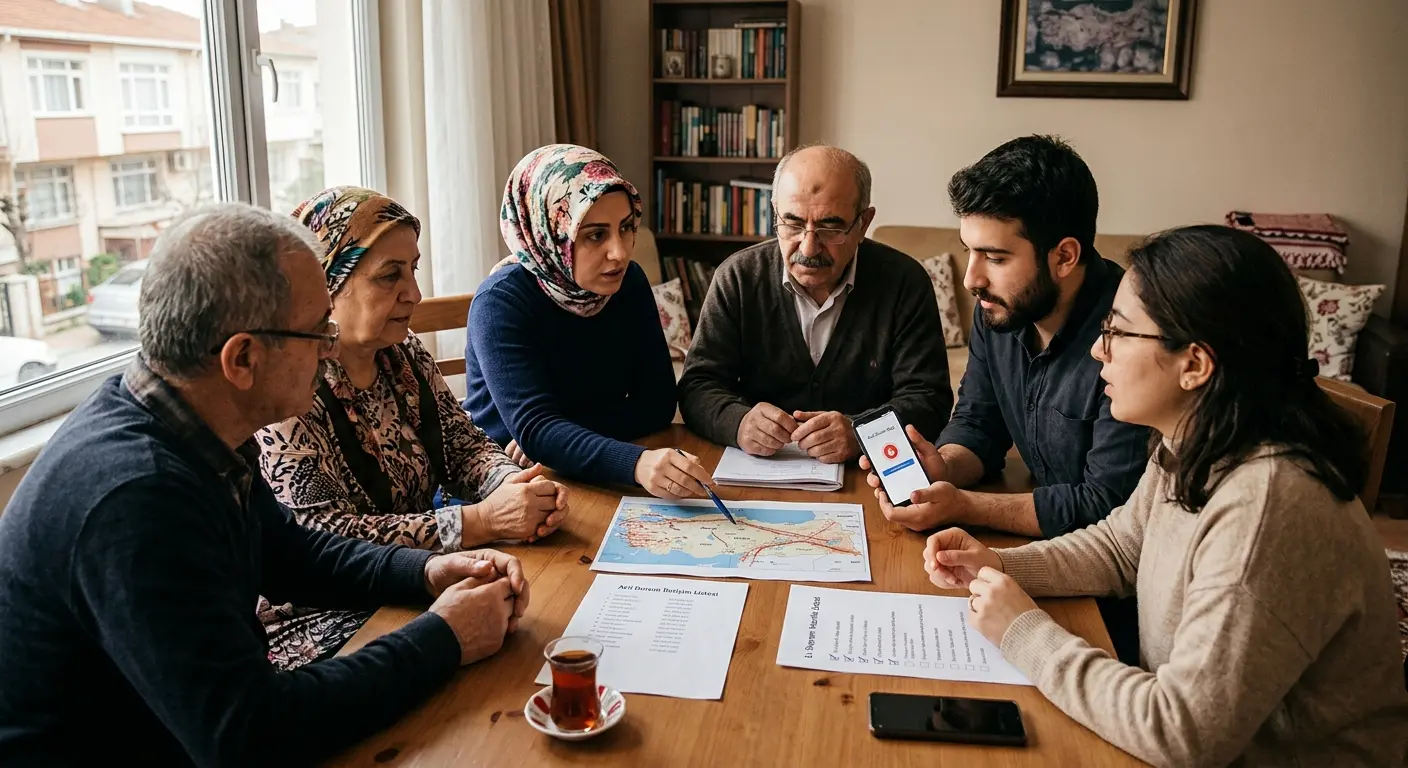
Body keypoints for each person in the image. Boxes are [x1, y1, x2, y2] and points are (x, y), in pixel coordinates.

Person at [0, 203, 530, 765]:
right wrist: (443, 638)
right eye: (317, 331)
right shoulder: (138, 498)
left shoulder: (192, 418)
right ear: (243, 358)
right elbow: (250, 735)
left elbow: (285, 550)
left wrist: (424, 572)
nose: (330, 346)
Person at [923, 226, 1408, 766]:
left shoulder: (1269, 503)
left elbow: (1182, 732)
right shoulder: (1195, 439)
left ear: (1195, 364)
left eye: (1118, 333)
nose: (1096, 350)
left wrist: (1023, 630)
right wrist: (1001, 565)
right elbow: (1120, 549)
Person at [252, 186, 567, 669]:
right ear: (327, 287)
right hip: (322, 618)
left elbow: (464, 446)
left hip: (418, 580)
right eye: (389, 276)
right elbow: (322, 534)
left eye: (413, 269)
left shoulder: (404, 352)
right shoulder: (291, 385)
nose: (414, 294)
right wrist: (480, 521)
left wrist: (516, 487)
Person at [862, 135, 1148, 539]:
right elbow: (980, 422)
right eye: (969, 251)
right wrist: (943, 467)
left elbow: (1107, 505)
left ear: (1064, 256)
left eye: (995, 258)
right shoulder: (999, 309)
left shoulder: (1131, 337)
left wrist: (964, 505)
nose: (970, 279)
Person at [463, 144, 712, 501]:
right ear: (550, 234)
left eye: (626, 227)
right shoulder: (500, 303)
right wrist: (635, 463)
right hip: (507, 485)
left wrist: (558, 436)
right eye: (596, 234)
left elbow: (657, 403)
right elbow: (537, 430)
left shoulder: (629, 282)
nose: (621, 252)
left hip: (581, 469)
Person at [679, 144, 952, 463]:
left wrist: (860, 434)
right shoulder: (737, 277)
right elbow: (697, 385)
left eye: (830, 228)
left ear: (863, 223)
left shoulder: (905, 282)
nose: (808, 247)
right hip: (759, 470)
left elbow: (929, 399)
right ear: (774, 211)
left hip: (867, 476)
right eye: (792, 225)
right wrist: (737, 422)